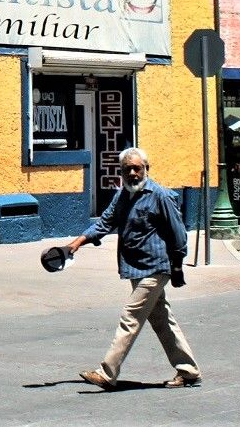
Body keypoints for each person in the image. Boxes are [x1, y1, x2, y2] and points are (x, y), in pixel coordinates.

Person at [65, 147, 201, 390]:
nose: (132, 173)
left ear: (147, 169)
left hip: (156, 268)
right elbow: (105, 222)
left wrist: (178, 266)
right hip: (135, 268)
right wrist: (77, 243)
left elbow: (178, 234)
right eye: (127, 169)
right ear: (121, 172)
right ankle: (188, 370)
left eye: (137, 168)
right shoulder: (123, 195)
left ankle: (108, 372)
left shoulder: (160, 196)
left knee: (131, 316)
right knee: (161, 319)